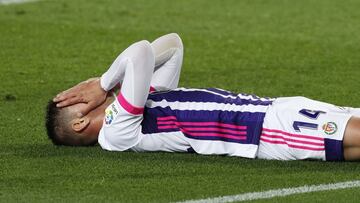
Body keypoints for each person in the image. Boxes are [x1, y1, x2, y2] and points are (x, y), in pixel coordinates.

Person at [46, 33, 360, 161]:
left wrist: (108, 83)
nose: (83, 90)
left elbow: (172, 45)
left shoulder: (145, 104)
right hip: (262, 130)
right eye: (76, 97)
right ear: (80, 123)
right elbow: (139, 53)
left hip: (275, 110)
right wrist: (103, 82)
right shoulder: (115, 131)